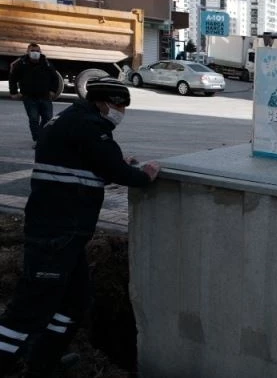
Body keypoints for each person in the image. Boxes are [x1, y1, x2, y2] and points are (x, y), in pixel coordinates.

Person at [0, 77, 161, 376]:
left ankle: (43, 360)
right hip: (57, 232)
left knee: (75, 302)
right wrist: (144, 175)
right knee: (29, 308)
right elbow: (115, 169)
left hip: (64, 231)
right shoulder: (89, 126)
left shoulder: (71, 120)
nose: (120, 112)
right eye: (118, 105)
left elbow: (84, 166)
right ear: (102, 102)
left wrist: (112, 165)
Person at [9, 43, 62, 148]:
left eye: (37, 51)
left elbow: (55, 78)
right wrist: (14, 92)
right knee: (33, 119)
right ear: (28, 52)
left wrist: (52, 91)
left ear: (40, 52)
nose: (35, 53)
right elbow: (13, 78)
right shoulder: (21, 63)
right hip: (29, 97)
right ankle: (38, 140)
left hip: (45, 96)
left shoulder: (46, 63)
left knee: (48, 118)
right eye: (33, 51)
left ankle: (42, 137)